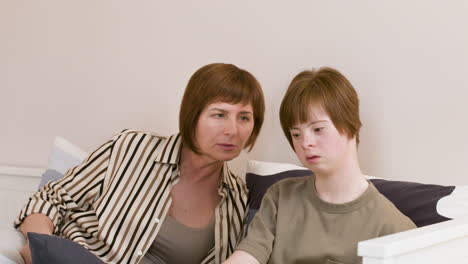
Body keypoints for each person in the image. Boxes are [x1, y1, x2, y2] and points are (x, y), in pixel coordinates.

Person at [14, 63, 265, 264]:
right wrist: (39, 246)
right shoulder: (131, 147)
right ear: (192, 115)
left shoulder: (237, 200)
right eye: (219, 114)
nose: (232, 130)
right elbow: (51, 199)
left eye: (244, 118)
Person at [224, 67, 416, 264]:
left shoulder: (393, 227)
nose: (305, 143)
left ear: (350, 126)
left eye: (317, 129)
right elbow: (248, 255)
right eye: (296, 134)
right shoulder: (280, 196)